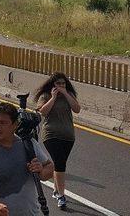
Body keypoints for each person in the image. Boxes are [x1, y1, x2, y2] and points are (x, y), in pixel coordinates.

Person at [0, 103, 54, 216]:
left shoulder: (28, 144)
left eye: (2, 123)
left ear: (15, 125)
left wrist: (41, 170)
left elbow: (49, 167)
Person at [35, 72, 81, 210]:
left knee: (60, 163)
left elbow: (77, 109)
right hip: (51, 134)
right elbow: (43, 112)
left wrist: (66, 94)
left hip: (67, 135)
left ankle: (56, 190)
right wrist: (54, 97)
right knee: (60, 163)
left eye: (63, 84)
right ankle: (61, 195)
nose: (60, 86)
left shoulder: (69, 95)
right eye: (58, 84)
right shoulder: (46, 96)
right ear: (52, 85)